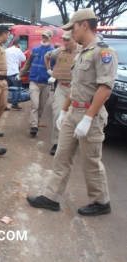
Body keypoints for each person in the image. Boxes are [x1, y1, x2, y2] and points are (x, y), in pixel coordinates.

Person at [27, 8, 118, 216]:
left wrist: (87, 118)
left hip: (91, 116)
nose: (70, 33)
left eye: (73, 28)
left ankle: (101, 202)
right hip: (72, 113)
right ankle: (51, 197)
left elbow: (104, 88)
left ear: (84, 25)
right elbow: (75, 85)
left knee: (90, 162)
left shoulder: (103, 53)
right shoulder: (82, 53)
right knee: (61, 156)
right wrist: (63, 111)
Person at [44, 30, 82, 156]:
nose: (64, 42)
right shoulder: (59, 51)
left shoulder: (83, 50)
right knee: (57, 113)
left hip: (77, 88)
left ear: (74, 39)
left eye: (67, 40)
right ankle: (57, 142)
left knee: (77, 116)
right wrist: (49, 70)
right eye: (63, 40)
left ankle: (74, 143)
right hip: (62, 86)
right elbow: (47, 56)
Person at [18, 29, 54, 136]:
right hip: (34, 81)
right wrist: (20, 74)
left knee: (41, 106)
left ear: (50, 38)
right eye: (43, 36)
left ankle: (36, 123)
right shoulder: (35, 50)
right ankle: (33, 126)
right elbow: (28, 63)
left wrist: (55, 76)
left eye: (46, 37)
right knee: (35, 104)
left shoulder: (53, 52)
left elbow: (57, 67)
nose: (43, 38)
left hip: (46, 83)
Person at [5, 39, 26, 110]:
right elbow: (24, 59)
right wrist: (20, 50)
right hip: (14, 72)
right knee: (16, 89)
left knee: (6, 89)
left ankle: (4, 104)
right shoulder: (18, 50)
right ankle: (14, 104)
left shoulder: (6, 50)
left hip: (6, 72)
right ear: (18, 44)